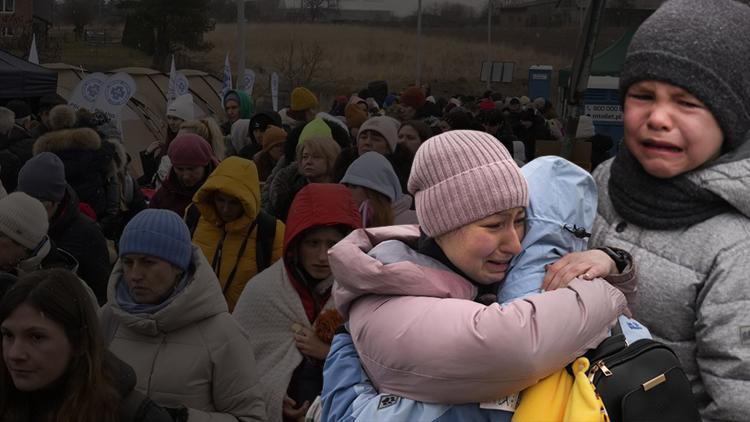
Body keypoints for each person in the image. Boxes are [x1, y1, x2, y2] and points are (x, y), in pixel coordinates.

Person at [322, 156, 642, 421]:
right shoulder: (392, 304)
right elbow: (516, 345)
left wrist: (611, 263)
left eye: (520, 222)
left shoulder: (485, 285)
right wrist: (608, 286)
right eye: (494, 224)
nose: (514, 244)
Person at [548, 1, 750, 419]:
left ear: (734, 114)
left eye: (687, 102)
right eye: (643, 96)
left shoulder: (737, 246)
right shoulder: (606, 178)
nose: (658, 117)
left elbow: (738, 397)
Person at [100, 209, 267, 421]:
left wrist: (181, 419)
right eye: (127, 262)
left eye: (148, 262)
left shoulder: (223, 334)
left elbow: (251, 418)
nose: (135, 275)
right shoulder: (107, 318)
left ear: (178, 266)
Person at [233, 183, 361, 422]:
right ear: (296, 244)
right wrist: (270, 395)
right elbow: (237, 368)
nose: (323, 257)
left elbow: (380, 364)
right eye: (313, 243)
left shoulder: (361, 292)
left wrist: (328, 352)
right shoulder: (263, 291)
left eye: (332, 244)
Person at [0, 269, 174, 422]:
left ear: (78, 341)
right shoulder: (9, 401)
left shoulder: (135, 415)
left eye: (36, 337)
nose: (15, 354)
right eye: (8, 335)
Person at [16, 153, 111, 304]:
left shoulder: (87, 233)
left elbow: (102, 292)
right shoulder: (16, 223)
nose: (30, 212)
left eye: (39, 205)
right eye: (24, 203)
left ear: (56, 201)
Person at [191, 157, 285, 310]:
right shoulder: (194, 216)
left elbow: (280, 287)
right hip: (197, 315)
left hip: (246, 321)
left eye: (234, 203)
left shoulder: (271, 230)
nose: (225, 209)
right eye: (221, 200)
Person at [32, 105, 118, 224]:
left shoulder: (43, 148)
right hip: (93, 204)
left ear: (52, 122)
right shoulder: (90, 143)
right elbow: (108, 157)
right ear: (73, 119)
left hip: (60, 207)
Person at [267, 129, 342, 222]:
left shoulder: (342, 193)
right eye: (305, 157)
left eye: (316, 157)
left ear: (330, 159)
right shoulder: (287, 195)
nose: (308, 162)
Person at [341, 152, 417, 227]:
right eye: (346, 186)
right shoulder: (346, 223)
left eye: (354, 186)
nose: (347, 191)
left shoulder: (413, 222)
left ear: (374, 192)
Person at [150, 133, 219, 216]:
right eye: (179, 169)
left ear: (205, 165)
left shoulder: (222, 190)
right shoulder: (164, 195)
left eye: (191, 169)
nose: (186, 176)